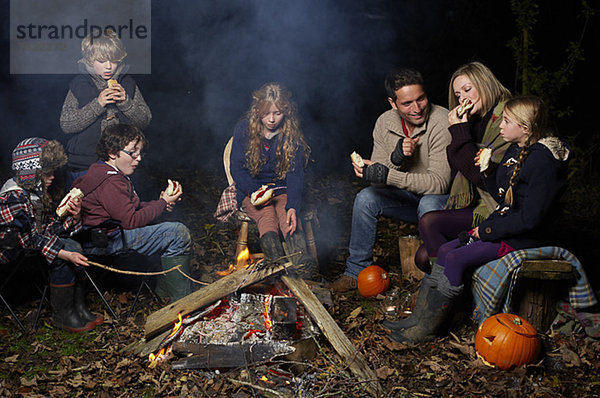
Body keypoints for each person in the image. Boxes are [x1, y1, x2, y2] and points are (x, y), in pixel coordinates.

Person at [386, 95, 571, 343]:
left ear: (525, 128)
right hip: (505, 225)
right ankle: (420, 319)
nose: (501, 126)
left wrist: (485, 231)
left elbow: (530, 219)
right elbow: (501, 194)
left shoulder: (543, 162)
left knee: (455, 256)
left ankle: (429, 330)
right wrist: (489, 171)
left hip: (524, 237)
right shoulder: (515, 150)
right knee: (444, 251)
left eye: (506, 121)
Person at [328, 68, 452, 293]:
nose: (416, 108)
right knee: (366, 198)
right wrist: (395, 158)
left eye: (421, 99)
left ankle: (433, 283)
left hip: (442, 201)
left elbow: (439, 183)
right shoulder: (384, 123)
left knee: (428, 203)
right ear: (393, 104)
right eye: (407, 103)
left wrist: (389, 173)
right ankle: (355, 272)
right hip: (409, 199)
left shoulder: (441, 120)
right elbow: (378, 179)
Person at [71, 124, 192, 302]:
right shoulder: (110, 181)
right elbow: (131, 221)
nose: (139, 158)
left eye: (141, 153)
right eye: (133, 153)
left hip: (107, 233)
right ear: (112, 152)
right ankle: (183, 303)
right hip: (106, 240)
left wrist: (161, 204)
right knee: (178, 233)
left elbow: (128, 209)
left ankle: (165, 294)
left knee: (171, 231)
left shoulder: (103, 170)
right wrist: (162, 203)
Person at [414, 62, 512, 274]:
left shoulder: (507, 118)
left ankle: (445, 289)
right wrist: (459, 129)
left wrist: (459, 130)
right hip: (473, 202)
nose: (462, 99)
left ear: (485, 84)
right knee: (422, 257)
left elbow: (480, 176)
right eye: (458, 95)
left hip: (495, 206)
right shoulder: (473, 120)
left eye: (467, 90)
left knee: (429, 222)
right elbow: (455, 164)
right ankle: (454, 280)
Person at [0, 138, 103, 332]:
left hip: (33, 245)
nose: (53, 177)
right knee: (66, 252)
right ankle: (63, 316)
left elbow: (47, 230)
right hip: (11, 251)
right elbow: (28, 239)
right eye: (48, 172)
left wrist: (74, 216)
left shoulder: (37, 193)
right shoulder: (13, 196)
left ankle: (78, 307)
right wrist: (64, 254)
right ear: (32, 173)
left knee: (73, 245)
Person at [229, 82, 316, 280]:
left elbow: (295, 174)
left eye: (277, 113)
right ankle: (279, 270)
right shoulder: (244, 128)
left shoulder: (290, 134)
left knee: (288, 217)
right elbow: (237, 168)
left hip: (282, 188)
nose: (271, 119)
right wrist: (255, 191)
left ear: (286, 111)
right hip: (252, 190)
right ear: (257, 109)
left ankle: (303, 272)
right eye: (266, 113)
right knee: (266, 217)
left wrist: (293, 206)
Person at [60, 30, 152, 188]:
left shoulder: (128, 83)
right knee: (80, 210)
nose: (109, 66)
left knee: (119, 210)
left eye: (114, 60)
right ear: (89, 60)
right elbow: (66, 124)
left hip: (120, 165)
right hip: (84, 165)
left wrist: (125, 102)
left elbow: (145, 120)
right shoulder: (79, 84)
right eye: (102, 61)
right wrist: (98, 104)